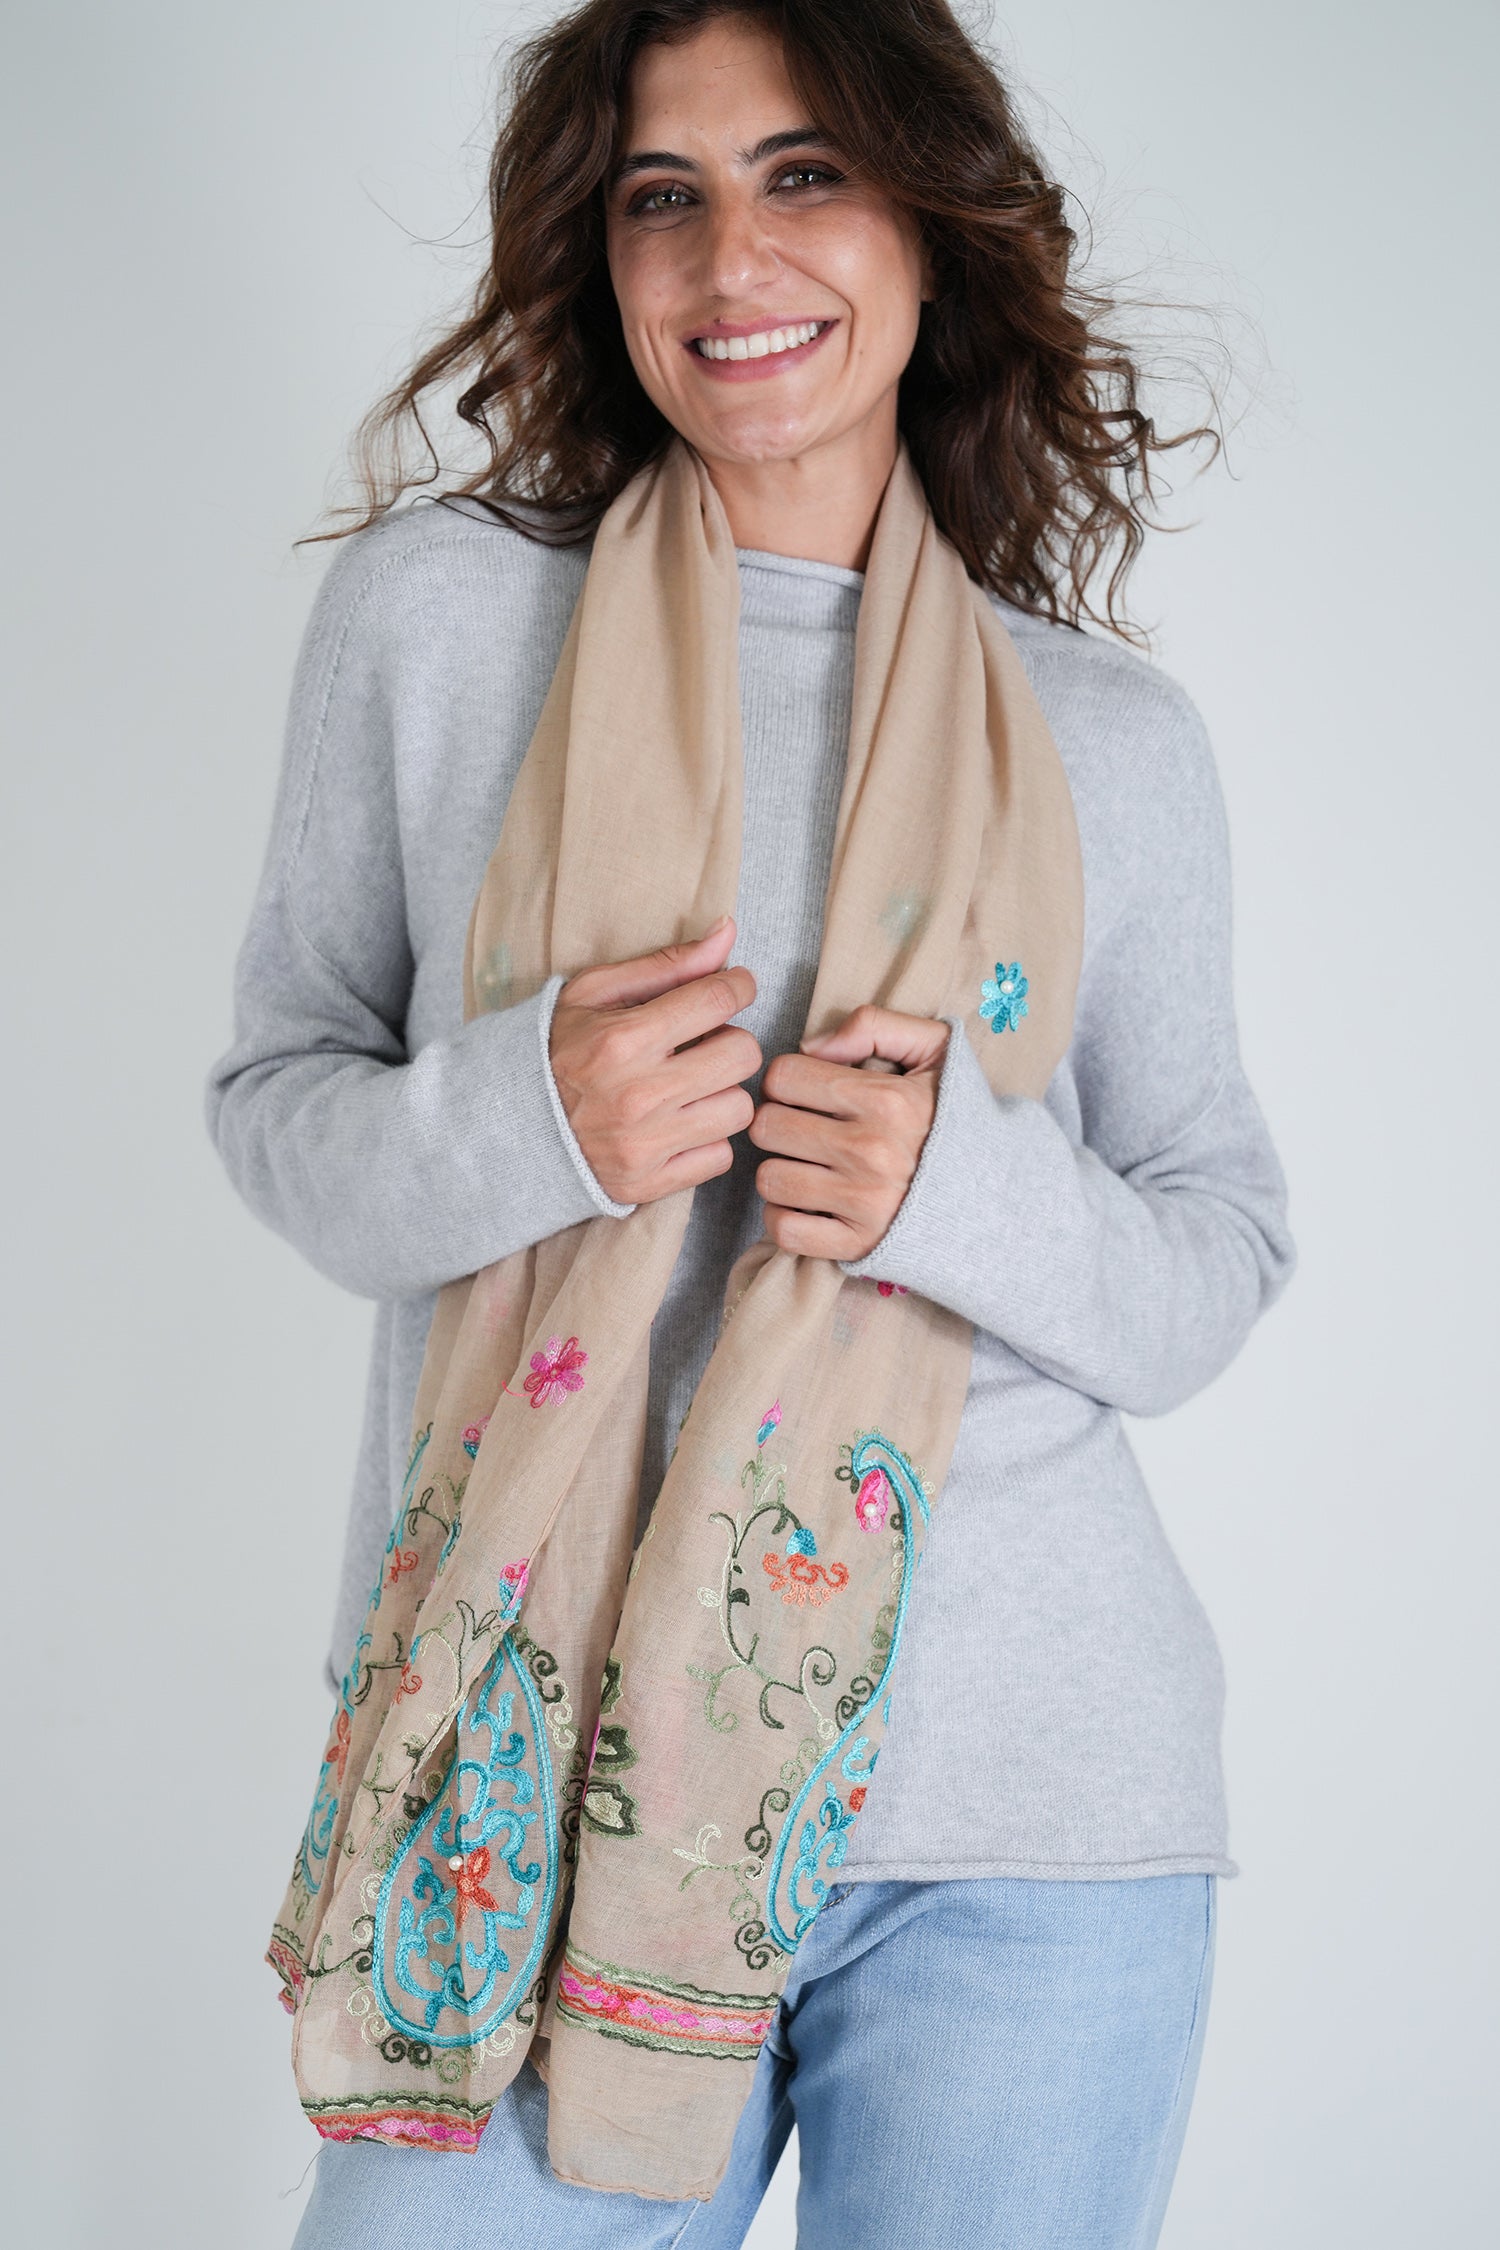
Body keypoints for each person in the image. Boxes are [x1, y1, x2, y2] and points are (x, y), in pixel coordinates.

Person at [206, 2, 1296, 2243]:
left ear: (926, 227)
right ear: (600, 259)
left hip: (1021, 1829)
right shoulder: (437, 624)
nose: (733, 258)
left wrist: (955, 1194)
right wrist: (540, 1118)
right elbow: (279, 1106)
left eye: (805, 176)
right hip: (515, 1802)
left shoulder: (1107, 737)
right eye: (662, 194)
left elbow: (1214, 1258)